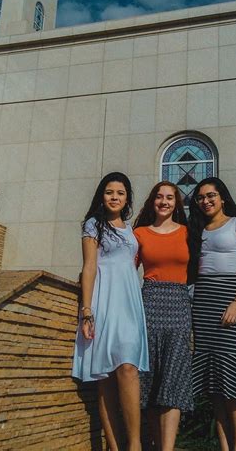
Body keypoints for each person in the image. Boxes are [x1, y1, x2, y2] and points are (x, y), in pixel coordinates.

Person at [72, 172, 148, 451]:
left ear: (127, 198)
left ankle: (135, 444)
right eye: (109, 192)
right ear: (101, 196)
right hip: (104, 301)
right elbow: (89, 267)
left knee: (128, 368)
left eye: (120, 193)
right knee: (105, 376)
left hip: (129, 303)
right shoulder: (94, 225)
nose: (114, 197)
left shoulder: (131, 229)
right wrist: (87, 311)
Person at [188, 177, 236, 451]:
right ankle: (224, 446)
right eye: (201, 197)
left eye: (211, 196)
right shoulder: (198, 230)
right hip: (203, 303)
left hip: (230, 299)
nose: (206, 201)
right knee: (213, 379)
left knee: (232, 370)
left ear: (222, 198)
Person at [134, 181, 194, 451]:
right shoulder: (140, 234)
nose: (164, 201)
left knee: (174, 377)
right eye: (159, 196)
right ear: (152, 201)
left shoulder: (188, 233)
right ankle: (152, 443)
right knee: (149, 377)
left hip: (180, 304)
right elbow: (125, 269)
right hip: (149, 304)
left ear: (176, 204)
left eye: (170, 197)